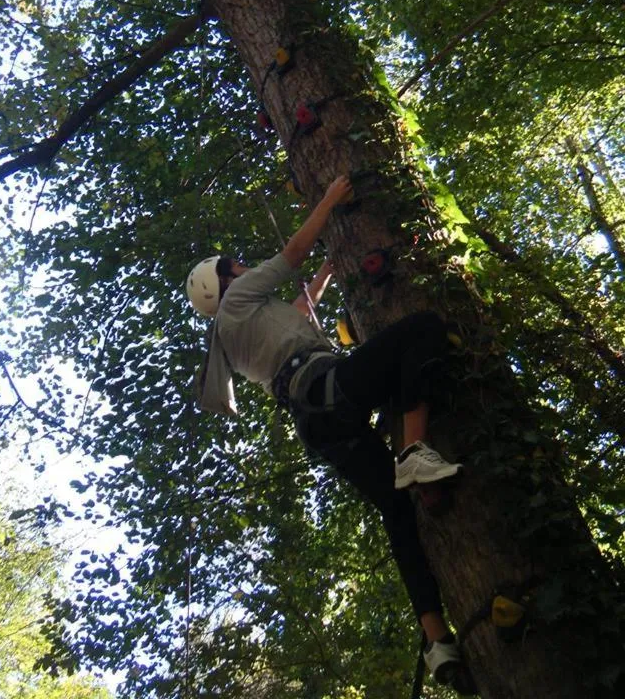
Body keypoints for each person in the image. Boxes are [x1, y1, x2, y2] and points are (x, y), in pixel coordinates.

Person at [186, 175, 476, 695]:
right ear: (223, 283)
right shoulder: (234, 303)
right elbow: (291, 254)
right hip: (330, 387)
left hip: (318, 420)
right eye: (235, 267)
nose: (244, 268)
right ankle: (412, 449)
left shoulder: (238, 334)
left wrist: (328, 267)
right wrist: (329, 201)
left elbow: (301, 308)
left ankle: (435, 638)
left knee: (397, 510)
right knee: (421, 328)